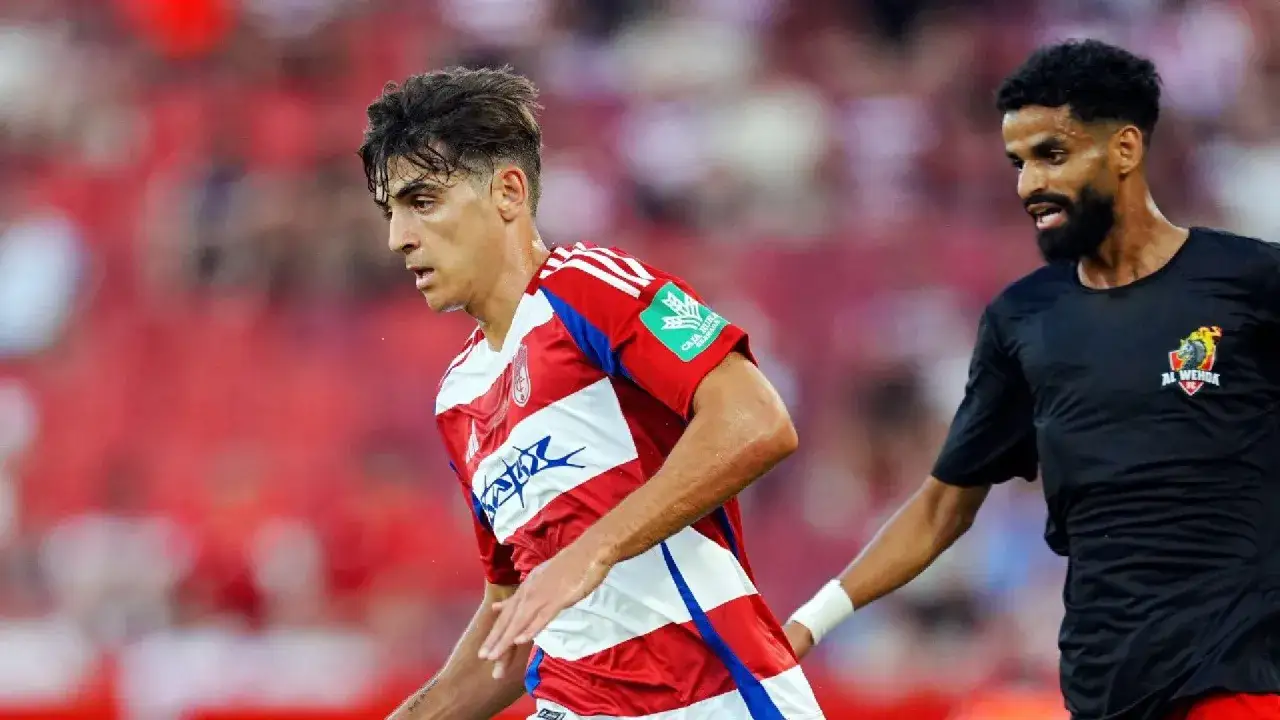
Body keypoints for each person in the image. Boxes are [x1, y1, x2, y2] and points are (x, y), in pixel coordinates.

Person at [781, 39, 1280, 720]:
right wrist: (810, 622)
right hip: (1103, 690)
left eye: (1052, 157)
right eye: (1020, 163)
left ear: (1125, 150)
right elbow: (940, 506)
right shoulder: (1024, 319)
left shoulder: (1251, 284)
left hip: (1234, 687)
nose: (1028, 186)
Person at [358, 66, 824, 720]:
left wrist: (594, 550)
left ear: (508, 192)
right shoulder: (457, 401)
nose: (397, 237)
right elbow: (516, 620)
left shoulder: (587, 288)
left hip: (711, 701)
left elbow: (757, 420)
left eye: (422, 201)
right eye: (391, 211)